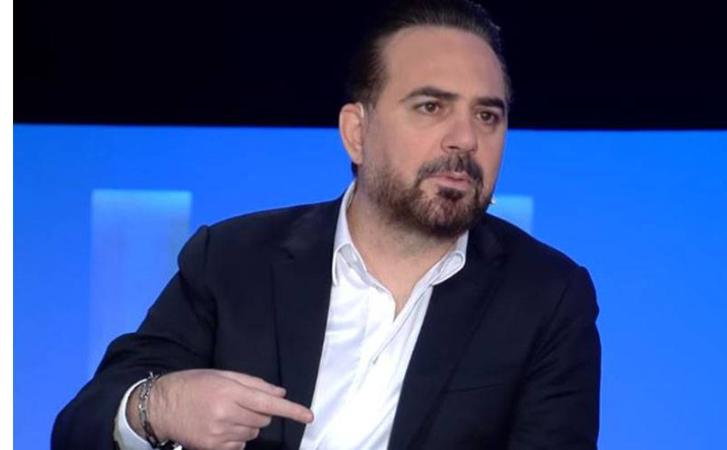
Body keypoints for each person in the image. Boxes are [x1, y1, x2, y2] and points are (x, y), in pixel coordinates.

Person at [52, 1, 601, 449]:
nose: (465, 139)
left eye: (487, 115)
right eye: (431, 107)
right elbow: (81, 427)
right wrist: (160, 407)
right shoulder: (233, 260)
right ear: (356, 133)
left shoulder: (546, 297)